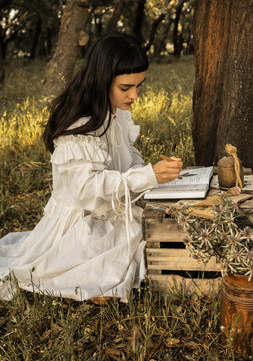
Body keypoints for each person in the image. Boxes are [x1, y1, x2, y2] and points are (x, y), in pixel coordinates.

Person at [0, 32, 182, 303]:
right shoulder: (78, 125)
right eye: (125, 87)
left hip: (111, 206)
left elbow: (129, 160)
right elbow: (88, 190)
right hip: (81, 218)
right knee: (125, 249)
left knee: (150, 231)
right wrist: (146, 176)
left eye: (139, 86)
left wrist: (152, 177)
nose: (135, 95)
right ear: (102, 80)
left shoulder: (115, 112)